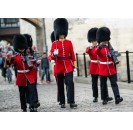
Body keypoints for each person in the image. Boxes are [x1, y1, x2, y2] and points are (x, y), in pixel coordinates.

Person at [50, 18, 77, 108]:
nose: (62, 34)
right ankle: (62, 102)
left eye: (63, 33)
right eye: (60, 33)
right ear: (58, 33)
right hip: (59, 66)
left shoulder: (69, 42)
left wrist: (74, 65)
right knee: (60, 85)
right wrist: (54, 54)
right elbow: (51, 56)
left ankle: (71, 101)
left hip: (68, 65)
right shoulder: (54, 44)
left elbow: (72, 54)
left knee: (70, 83)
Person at [8, 34, 38, 112]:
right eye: (20, 48)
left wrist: (36, 63)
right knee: (22, 94)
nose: (21, 49)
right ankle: (23, 107)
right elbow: (10, 63)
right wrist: (9, 59)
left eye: (22, 48)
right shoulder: (15, 57)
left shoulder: (29, 56)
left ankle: (32, 106)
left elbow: (34, 63)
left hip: (29, 75)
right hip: (21, 77)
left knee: (31, 91)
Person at [96, 27, 123, 105]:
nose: (105, 41)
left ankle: (117, 97)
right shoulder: (99, 48)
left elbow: (112, 55)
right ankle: (104, 98)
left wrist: (116, 54)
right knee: (103, 85)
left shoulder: (110, 48)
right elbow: (96, 53)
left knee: (114, 84)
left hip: (111, 68)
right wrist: (100, 46)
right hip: (103, 69)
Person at [86, 27, 113, 103]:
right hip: (94, 67)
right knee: (94, 83)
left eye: (95, 40)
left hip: (101, 67)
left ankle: (105, 96)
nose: (94, 42)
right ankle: (95, 96)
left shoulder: (100, 47)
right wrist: (91, 47)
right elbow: (87, 51)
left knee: (103, 83)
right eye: (93, 41)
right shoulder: (90, 48)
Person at [23, 34, 40, 109]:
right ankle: (31, 103)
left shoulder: (33, 52)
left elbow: (36, 63)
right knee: (29, 89)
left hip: (33, 73)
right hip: (27, 73)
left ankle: (34, 102)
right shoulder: (23, 53)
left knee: (33, 88)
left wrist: (37, 63)